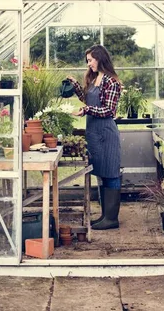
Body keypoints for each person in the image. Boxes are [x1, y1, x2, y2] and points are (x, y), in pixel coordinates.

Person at [67, 44, 122, 230]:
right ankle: (104, 216)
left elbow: (108, 110)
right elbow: (88, 99)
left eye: (91, 60)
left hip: (106, 133)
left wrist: (86, 110)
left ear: (100, 59)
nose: (88, 63)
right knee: (100, 172)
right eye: (88, 61)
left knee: (111, 172)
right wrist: (75, 85)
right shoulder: (95, 78)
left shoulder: (111, 82)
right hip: (94, 133)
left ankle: (111, 219)